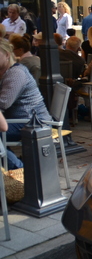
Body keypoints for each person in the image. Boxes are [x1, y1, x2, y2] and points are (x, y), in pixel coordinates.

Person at [0, 39, 52, 169]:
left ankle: (19, 170)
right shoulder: (5, 72)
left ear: (7, 54)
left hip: (32, 121)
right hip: (19, 119)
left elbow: (3, 103)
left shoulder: (16, 73)